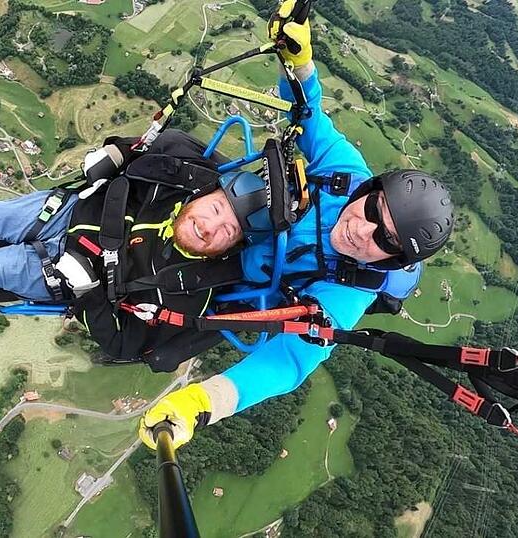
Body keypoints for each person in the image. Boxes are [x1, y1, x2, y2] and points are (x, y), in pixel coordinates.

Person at [138, 2, 454, 449]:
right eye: (372, 211)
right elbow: (309, 117)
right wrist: (299, 58)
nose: (364, 230)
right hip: (232, 215)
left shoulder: (348, 292)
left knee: (142, 333)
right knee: (169, 156)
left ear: (392, 261)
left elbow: (289, 362)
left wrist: (201, 403)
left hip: (224, 280)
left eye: (385, 240)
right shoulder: (346, 174)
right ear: (368, 191)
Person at [0, 130, 252, 371]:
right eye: (216, 210)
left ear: (229, 247)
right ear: (207, 194)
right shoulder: (179, 182)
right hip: (70, 211)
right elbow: (156, 144)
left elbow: (124, 347)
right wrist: (115, 152)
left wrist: (91, 294)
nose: (210, 226)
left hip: (68, 273)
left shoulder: (193, 291)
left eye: (226, 231)